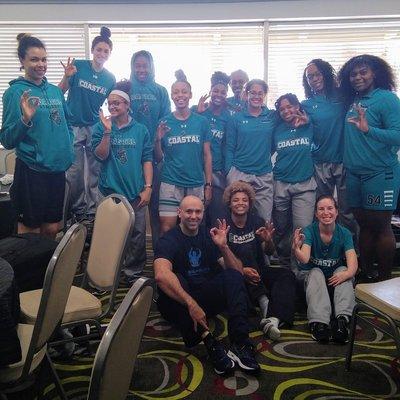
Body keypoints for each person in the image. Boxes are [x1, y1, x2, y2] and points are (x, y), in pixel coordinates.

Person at [154, 195, 260, 375]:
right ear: (179, 213)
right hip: (179, 303)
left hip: (203, 298)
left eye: (198, 212)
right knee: (175, 280)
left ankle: (241, 343)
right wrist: (190, 303)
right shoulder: (169, 239)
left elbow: (236, 271)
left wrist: (224, 247)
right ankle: (209, 341)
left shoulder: (208, 235)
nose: (193, 216)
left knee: (233, 276)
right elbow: (161, 275)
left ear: (203, 213)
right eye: (188, 211)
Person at [0, 33, 73, 238]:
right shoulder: (15, 93)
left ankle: (46, 270)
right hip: (32, 171)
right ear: (22, 61)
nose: (40, 64)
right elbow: (6, 139)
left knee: (52, 228)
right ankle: (31, 271)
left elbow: (66, 124)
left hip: (57, 171)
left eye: (43, 59)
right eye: (34, 59)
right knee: (30, 232)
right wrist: (25, 119)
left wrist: (68, 152)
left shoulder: (55, 91)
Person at [338, 54, 400, 281]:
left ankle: (384, 280)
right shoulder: (353, 100)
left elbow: (398, 136)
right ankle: (367, 274)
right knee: (363, 225)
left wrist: (369, 130)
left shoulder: (386, 99)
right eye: (353, 74)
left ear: (375, 73)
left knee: (381, 226)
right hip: (355, 175)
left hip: (379, 174)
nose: (357, 77)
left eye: (363, 72)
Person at [92, 80, 153, 284]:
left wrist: (148, 188)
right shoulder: (101, 127)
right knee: (109, 234)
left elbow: (147, 160)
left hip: (135, 192)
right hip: (109, 192)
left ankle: (132, 273)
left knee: (136, 236)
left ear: (127, 105)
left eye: (117, 103)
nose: (113, 106)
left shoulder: (141, 130)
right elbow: (100, 156)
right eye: (110, 103)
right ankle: (108, 272)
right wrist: (108, 131)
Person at [223, 181, 296, 340]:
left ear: (250, 204)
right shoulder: (223, 225)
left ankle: (271, 318)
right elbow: (221, 262)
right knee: (245, 252)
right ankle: (264, 302)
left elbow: (268, 252)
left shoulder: (257, 221)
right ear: (229, 203)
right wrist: (242, 271)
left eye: (244, 200)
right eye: (236, 200)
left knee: (287, 275)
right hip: (236, 276)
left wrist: (268, 241)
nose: (240, 203)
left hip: (258, 272)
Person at [59, 26, 116, 222]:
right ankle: (75, 211)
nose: (101, 53)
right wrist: (67, 75)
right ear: (92, 50)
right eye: (98, 49)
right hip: (73, 124)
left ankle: (92, 213)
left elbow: (113, 103)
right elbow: (61, 91)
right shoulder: (78, 66)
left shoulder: (110, 78)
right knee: (73, 172)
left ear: (109, 54)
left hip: (94, 126)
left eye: (106, 51)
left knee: (94, 172)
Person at [302, 59, 356, 236]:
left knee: (347, 211)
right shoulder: (306, 105)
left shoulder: (343, 97)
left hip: (344, 161)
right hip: (320, 162)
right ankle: (324, 246)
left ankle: (350, 249)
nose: (314, 79)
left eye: (317, 74)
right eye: (310, 76)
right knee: (322, 209)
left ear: (326, 74)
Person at [292, 195, 357, 344]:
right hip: (312, 281)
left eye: (330, 208)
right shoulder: (309, 231)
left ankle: (343, 321)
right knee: (316, 272)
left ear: (336, 212)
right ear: (315, 213)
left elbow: (352, 264)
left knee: (343, 270)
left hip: (334, 281)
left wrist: (346, 273)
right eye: (321, 209)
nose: (326, 212)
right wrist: (296, 248)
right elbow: (305, 259)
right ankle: (319, 323)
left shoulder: (344, 233)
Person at [155, 70, 212, 235]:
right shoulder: (164, 122)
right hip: (170, 183)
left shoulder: (201, 122)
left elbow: (207, 155)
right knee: (167, 228)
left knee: (195, 228)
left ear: (190, 95)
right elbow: (159, 157)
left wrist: (208, 184)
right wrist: (158, 139)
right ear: (171, 96)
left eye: (184, 92)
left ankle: (193, 261)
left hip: (195, 183)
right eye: (176, 92)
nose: (180, 95)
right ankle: (167, 260)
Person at [129, 50, 171, 249]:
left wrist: (158, 144)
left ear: (152, 67)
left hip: (155, 157)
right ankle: (128, 262)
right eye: (138, 65)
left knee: (156, 211)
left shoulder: (160, 91)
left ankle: (159, 257)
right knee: (131, 211)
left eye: (145, 65)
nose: (141, 69)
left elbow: (166, 122)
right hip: (130, 158)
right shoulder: (126, 87)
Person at [272, 93, 316, 268]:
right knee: (281, 227)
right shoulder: (277, 129)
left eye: (289, 106)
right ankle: (283, 263)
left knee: (302, 228)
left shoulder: (309, 125)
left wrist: (310, 121)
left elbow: (326, 133)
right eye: (282, 109)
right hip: (281, 182)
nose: (286, 111)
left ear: (297, 106)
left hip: (304, 184)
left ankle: (298, 267)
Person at [225, 79, 276, 223]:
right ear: (246, 94)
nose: (256, 96)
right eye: (253, 92)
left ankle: (262, 246)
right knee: (236, 217)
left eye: (260, 93)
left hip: (263, 174)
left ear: (265, 95)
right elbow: (229, 147)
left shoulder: (271, 117)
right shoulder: (236, 118)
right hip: (239, 172)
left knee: (265, 219)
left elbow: (273, 144)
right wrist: (228, 171)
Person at [193, 71, 232, 228]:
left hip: (217, 171)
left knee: (217, 214)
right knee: (197, 215)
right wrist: (197, 113)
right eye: (216, 91)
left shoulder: (227, 117)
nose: (219, 95)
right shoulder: (199, 111)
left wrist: (226, 170)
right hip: (196, 170)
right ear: (210, 91)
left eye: (223, 92)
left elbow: (227, 146)